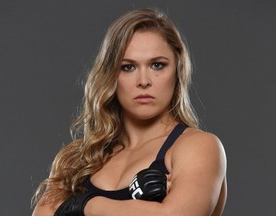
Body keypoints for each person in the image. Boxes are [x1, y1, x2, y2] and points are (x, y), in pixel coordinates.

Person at [32, 8, 227, 216]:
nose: (144, 81)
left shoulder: (197, 147)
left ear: (178, 71)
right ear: (111, 75)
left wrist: (84, 204)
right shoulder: (79, 158)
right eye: (128, 67)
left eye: (157, 65)